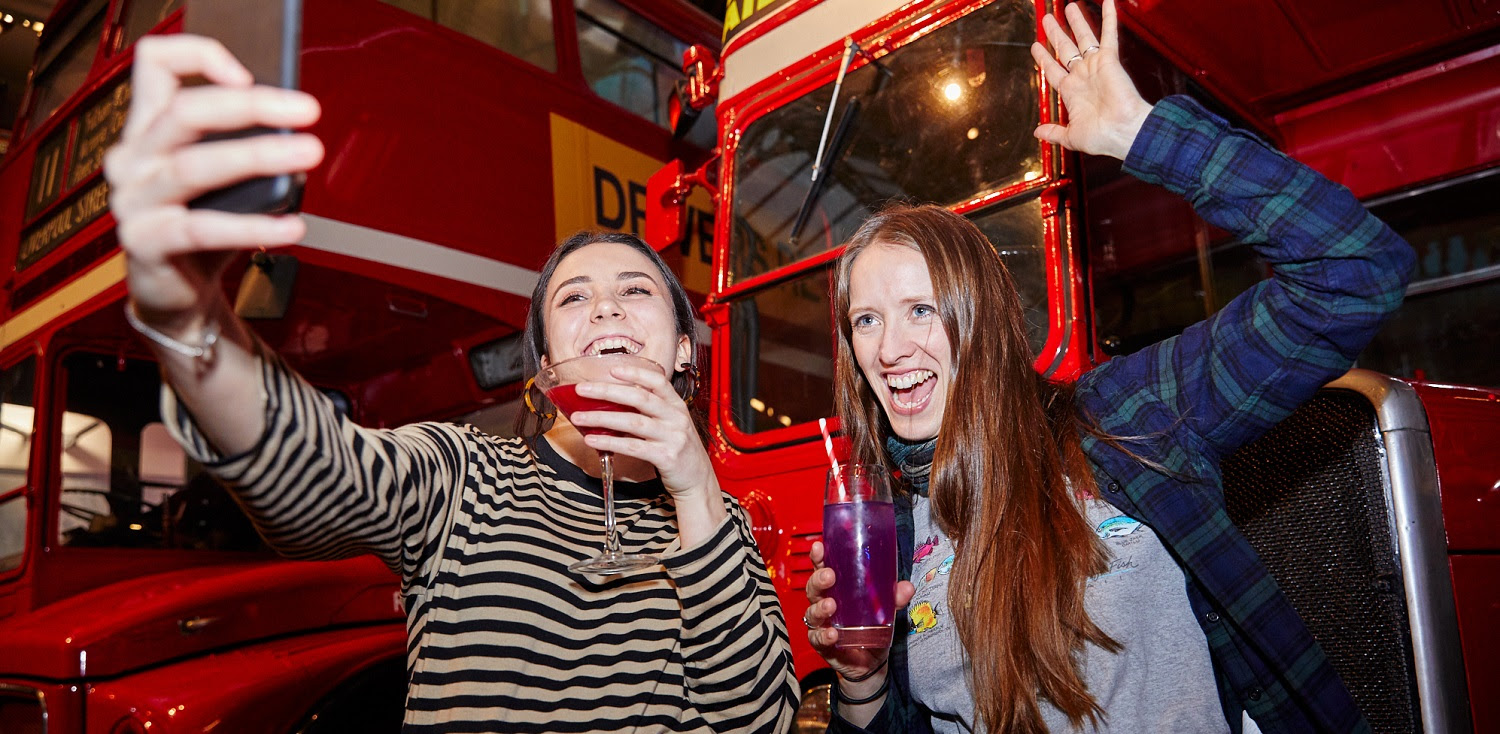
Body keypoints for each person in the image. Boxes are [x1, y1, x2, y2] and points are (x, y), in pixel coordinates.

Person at [103, 34, 797, 733]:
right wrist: (188, 314)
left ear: (683, 349)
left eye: (634, 290)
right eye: (573, 298)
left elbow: (760, 718)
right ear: (546, 360)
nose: (606, 307)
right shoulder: (463, 474)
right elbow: (317, 477)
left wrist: (694, 491)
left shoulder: (720, 521)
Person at [803, 1, 1413, 733]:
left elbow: (1354, 269)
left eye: (922, 310)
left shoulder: (1124, 419)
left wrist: (1148, 137)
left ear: (987, 324)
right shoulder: (888, 530)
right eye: (865, 319)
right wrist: (860, 679)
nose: (888, 348)